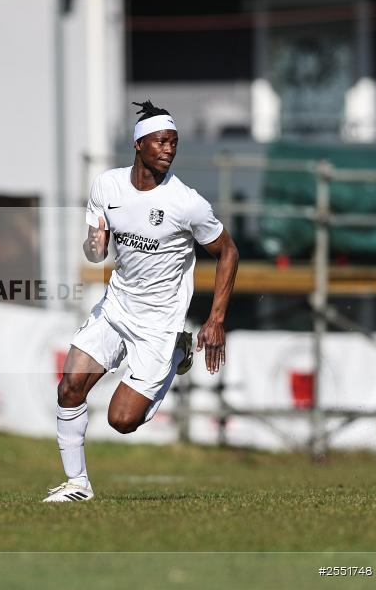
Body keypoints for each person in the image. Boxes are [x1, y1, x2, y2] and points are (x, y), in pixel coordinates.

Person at [44, 100, 239, 502]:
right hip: (116, 307)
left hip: (159, 323)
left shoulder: (187, 203)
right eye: (161, 141)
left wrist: (216, 319)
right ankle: (77, 485)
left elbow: (229, 252)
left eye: (174, 143)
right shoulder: (107, 186)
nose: (169, 149)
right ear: (138, 145)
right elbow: (95, 253)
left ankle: (174, 352)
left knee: (121, 421)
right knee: (69, 388)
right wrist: (94, 245)